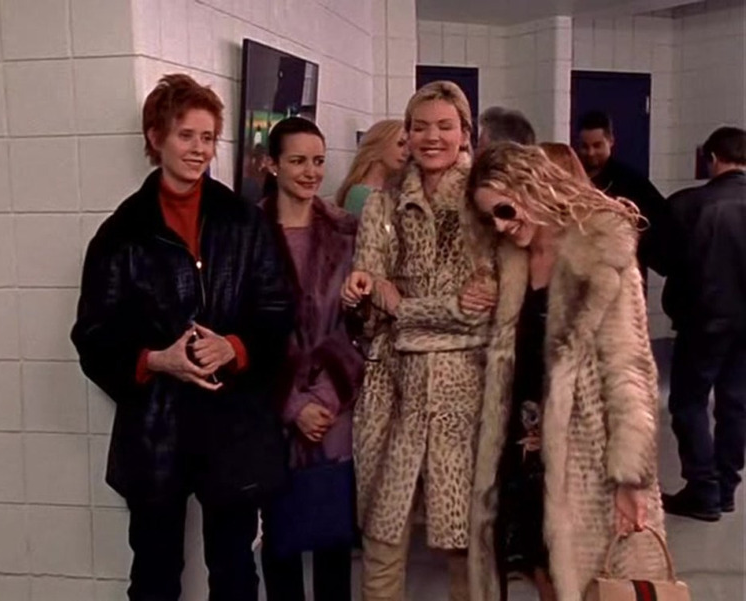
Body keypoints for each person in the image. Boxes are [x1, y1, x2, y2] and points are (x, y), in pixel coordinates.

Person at [70, 74, 294, 601]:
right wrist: (156, 360)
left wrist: (234, 347)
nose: (199, 149)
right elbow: (93, 335)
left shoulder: (244, 222)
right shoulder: (120, 233)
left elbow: (279, 310)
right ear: (156, 137)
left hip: (233, 426)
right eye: (186, 135)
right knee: (154, 575)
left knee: (235, 572)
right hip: (156, 430)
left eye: (208, 137)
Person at [466, 142, 667, 601]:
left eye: (504, 210)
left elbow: (630, 370)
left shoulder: (599, 255)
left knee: (584, 583)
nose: (500, 225)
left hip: (585, 459)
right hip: (522, 451)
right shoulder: (509, 260)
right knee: (541, 572)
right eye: (490, 218)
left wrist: (630, 476)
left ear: (533, 187)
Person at [341, 80, 497, 601]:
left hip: (464, 394)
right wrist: (364, 295)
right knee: (382, 540)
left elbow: (479, 314)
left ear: (464, 133)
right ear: (406, 134)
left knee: (465, 544)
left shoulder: (483, 204)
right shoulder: (383, 205)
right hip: (392, 392)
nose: (433, 138)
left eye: (445, 127)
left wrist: (402, 307)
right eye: (421, 126)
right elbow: (370, 304)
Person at [259, 117, 364, 600]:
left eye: (318, 161)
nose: (311, 172)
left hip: (334, 405)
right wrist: (292, 404)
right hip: (272, 407)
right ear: (272, 164)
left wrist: (323, 396)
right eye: (298, 161)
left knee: (332, 539)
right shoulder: (248, 235)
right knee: (280, 540)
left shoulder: (347, 232)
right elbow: (244, 331)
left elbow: (361, 327)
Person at [661, 126, 746, 521]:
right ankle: (726, 489)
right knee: (735, 404)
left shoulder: (688, 205)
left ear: (711, 158)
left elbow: (662, 259)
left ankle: (703, 491)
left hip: (702, 321)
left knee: (689, 403)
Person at [576, 111, 668, 279]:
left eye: (597, 145)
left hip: (621, 272)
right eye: (584, 146)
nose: (590, 153)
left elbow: (660, 221)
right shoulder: (571, 179)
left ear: (611, 141)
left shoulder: (631, 182)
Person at [335, 119, 409, 217]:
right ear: (379, 145)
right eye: (400, 144)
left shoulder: (388, 191)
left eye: (409, 147)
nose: (406, 152)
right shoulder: (360, 195)